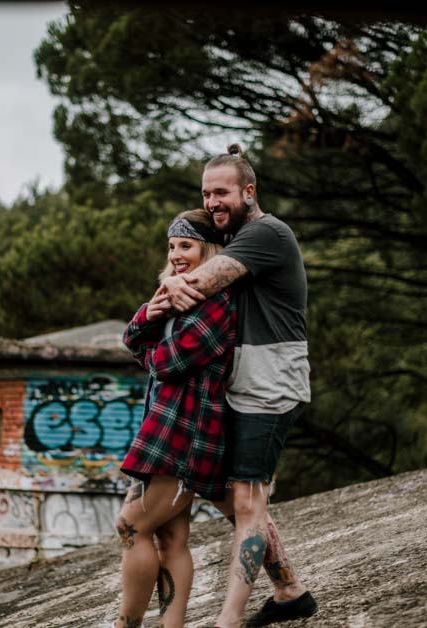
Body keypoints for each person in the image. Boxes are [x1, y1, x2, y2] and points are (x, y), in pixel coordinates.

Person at [159, 144, 317, 627]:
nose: (211, 202)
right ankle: (289, 590)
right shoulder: (237, 240)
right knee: (223, 491)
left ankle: (228, 621)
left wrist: (173, 286)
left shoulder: (266, 233)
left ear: (249, 192)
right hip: (240, 382)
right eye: (206, 194)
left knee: (248, 500)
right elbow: (182, 284)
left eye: (222, 192)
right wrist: (174, 285)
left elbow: (196, 284)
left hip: (271, 383)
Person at [114, 208, 237, 628]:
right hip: (164, 430)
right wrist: (148, 314)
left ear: (209, 249)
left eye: (186, 245)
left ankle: (125, 625)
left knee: (130, 525)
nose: (177, 254)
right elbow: (132, 339)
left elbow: (169, 361)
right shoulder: (175, 294)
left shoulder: (218, 303)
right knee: (171, 537)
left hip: (187, 435)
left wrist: (149, 350)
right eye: (172, 246)